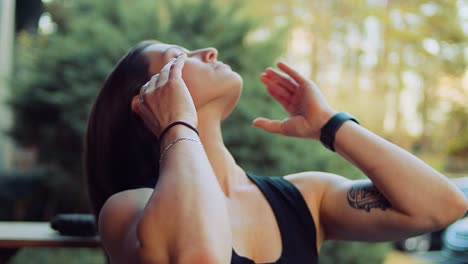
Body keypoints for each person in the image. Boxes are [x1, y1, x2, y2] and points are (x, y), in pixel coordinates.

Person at [84, 40, 468, 264]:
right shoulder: (128, 210)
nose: (210, 51)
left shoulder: (306, 199)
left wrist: (331, 126)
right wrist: (176, 124)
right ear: (146, 99)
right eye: (177, 56)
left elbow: (443, 205)